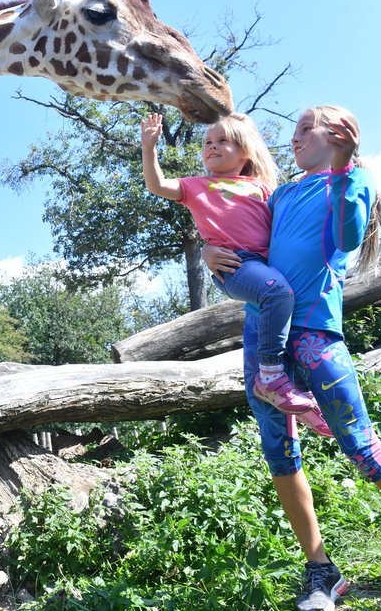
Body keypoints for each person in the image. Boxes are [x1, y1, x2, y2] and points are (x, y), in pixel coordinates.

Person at [203, 105, 381, 611]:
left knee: (360, 444)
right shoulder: (282, 192)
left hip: (315, 334)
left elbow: (347, 236)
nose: (292, 139)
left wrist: (344, 169)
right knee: (279, 452)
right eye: (292, 132)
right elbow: (245, 237)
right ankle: (321, 570)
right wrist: (211, 253)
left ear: (336, 135)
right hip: (264, 339)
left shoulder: (350, 180)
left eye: (303, 130)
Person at [141, 112, 331, 437]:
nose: (212, 147)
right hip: (235, 265)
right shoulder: (195, 186)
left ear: (244, 153)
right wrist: (149, 147)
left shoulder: (262, 187)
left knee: (288, 321)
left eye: (222, 141)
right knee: (277, 293)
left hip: (266, 266)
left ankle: (305, 402)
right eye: (207, 143)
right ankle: (269, 376)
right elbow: (156, 185)